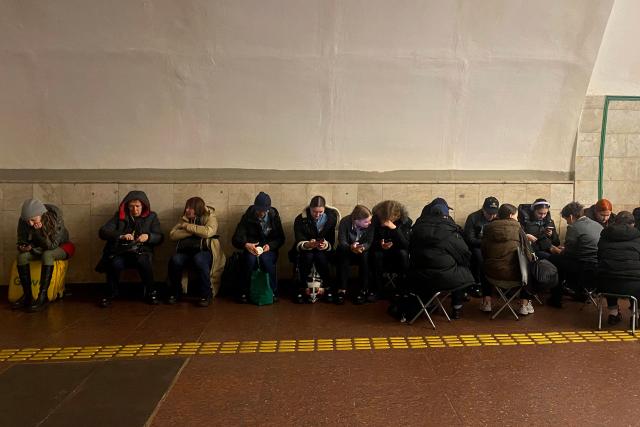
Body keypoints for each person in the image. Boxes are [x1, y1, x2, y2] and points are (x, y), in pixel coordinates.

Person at [408, 198, 474, 319]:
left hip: (418, 276)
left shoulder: (416, 229)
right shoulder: (450, 232)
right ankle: (456, 308)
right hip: (444, 278)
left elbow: (410, 251)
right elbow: (464, 253)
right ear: (446, 215)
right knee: (462, 268)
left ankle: (429, 304)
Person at [97, 191, 164, 307]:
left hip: (142, 252)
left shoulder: (152, 216)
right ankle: (110, 293)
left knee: (143, 261)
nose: (135, 210)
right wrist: (121, 236)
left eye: (137, 206)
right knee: (114, 263)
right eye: (131, 206)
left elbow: (160, 237)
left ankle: (151, 292)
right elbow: (103, 232)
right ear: (127, 206)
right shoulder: (120, 216)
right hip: (122, 252)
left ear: (143, 206)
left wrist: (148, 237)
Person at [13, 199, 73, 312]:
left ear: (41, 214)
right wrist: (22, 247)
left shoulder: (55, 217)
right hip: (39, 247)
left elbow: (52, 245)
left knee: (47, 254)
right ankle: (28, 296)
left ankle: (43, 296)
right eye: (27, 221)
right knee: (21, 257)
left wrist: (38, 232)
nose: (30, 223)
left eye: (33, 220)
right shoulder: (24, 220)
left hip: (61, 246)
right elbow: (21, 240)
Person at [168, 197, 226, 307]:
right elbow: (172, 234)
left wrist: (187, 227)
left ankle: (206, 294)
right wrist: (192, 231)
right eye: (187, 208)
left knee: (199, 259)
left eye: (190, 208)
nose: (187, 210)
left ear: (197, 209)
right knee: (175, 260)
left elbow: (208, 232)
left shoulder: (210, 216)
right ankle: (175, 292)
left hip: (205, 251)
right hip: (186, 251)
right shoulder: (184, 218)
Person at [232, 192, 285, 303]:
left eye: (263, 210)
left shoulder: (273, 216)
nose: (261, 213)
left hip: (268, 249)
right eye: (258, 210)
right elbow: (236, 238)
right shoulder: (247, 217)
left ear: (268, 209)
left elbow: (281, 238)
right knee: (249, 261)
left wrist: (270, 246)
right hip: (251, 248)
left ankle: (272, 291)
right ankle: (244, 292)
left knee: (266, 260)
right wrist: (246, 244)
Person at [482, 204, 535, 315]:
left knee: (485, 264)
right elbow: (527, 253)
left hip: (492, 274)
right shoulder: (518, 228)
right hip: (514, 275)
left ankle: (487, 303)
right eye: (516, 216)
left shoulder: (488, 228)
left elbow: (484, 251)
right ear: (511, 215)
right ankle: (524, 305)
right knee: (528, 266)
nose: (517, 218)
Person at [547, 202, 602, 308]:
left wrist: (555, 250)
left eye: (566, 219)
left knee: (554, 259)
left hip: (584, 267)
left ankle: (556, 298)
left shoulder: (574, 227)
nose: (567, 223)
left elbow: (568, 253)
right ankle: (579, 293)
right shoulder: (596, 224)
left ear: (571, 217)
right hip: (598, 266)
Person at [289, 195, 339, 304]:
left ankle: (327, 286)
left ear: (324, 209)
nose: (317, 214)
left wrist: (325, 245)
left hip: (322, 249)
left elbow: (331, 240)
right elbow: (298, 238)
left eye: (320, 212)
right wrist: (307, 244)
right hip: (305, 249)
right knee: (308, 256)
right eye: (314, 212)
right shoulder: (300, 219)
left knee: (321, 257)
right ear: (310, 209)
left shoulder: (331, 219)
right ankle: (302, 287)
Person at [597, 212, 640, 325]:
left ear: (615, 223)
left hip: (606, 285)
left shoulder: (605, 236)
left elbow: (599, 256)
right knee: (633, 276)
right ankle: (635, 316)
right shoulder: (638, 237)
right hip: (634, 286)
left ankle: (613, 314)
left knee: (610, 273)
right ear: (633, 224)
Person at [370, 200, 412, 301]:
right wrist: (380, 245)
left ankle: (401, 290)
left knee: (403, 254)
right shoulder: (375, 220)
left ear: (396, 216)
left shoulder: (405, 222)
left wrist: (394, 228)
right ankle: (378, 290)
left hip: (397, 253)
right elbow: (370, 241)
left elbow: (406, 245)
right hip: (381, 252)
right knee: (376, 255)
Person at [335, 205, 374, 305]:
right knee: (342, 252)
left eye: (370, 220)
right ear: (356, 220)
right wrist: (351, 247)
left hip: (362, 251)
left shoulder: (371, 224)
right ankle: (342, 289)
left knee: (365, 256)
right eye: (366, 221)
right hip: (347, 250)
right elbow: (342, 241)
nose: (369, 223)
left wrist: (362, 247)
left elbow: (369, 242)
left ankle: (363, 289)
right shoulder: (345, 221)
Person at [463, 196, 499, 298]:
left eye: (494, 213)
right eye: (489, 213)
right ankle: (478, 284)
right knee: (479, 258)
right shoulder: (473, 217)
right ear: (483, 209)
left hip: (494, 245)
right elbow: (469, 239)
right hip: (478, 245)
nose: (492, 216)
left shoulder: (498, 217)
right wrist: (485, 242)